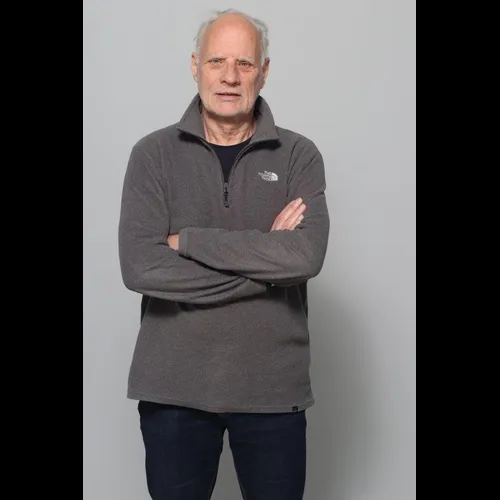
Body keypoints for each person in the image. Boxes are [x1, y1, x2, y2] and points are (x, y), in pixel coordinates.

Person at [118, 8, 330, 500]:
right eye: (217, 61)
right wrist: (267, 267)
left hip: (274, 390)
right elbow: (141, 266)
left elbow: (305, 258)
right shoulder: (152, 155)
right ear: (196, 66)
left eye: (244, 63)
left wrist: (189, 241)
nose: (230, 76)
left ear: (264, 71)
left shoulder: (299, 155)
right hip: (173, 390)